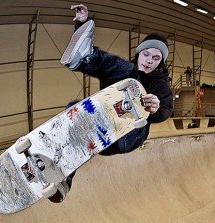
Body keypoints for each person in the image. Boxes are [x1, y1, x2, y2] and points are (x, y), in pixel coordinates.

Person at [61, 4, 173, 155]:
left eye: (156, 58)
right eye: (146, 54)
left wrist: (155, 109)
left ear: (160, 62)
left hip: (127, 137)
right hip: (102, 131)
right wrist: (81, 24)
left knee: (130, 73)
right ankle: (85, 56)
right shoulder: (123, 71)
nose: (149, 61)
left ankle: (87, 57)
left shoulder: (160, 84)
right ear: (139, 54)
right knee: (73, 108)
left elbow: (166, 110)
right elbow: (106, 67)